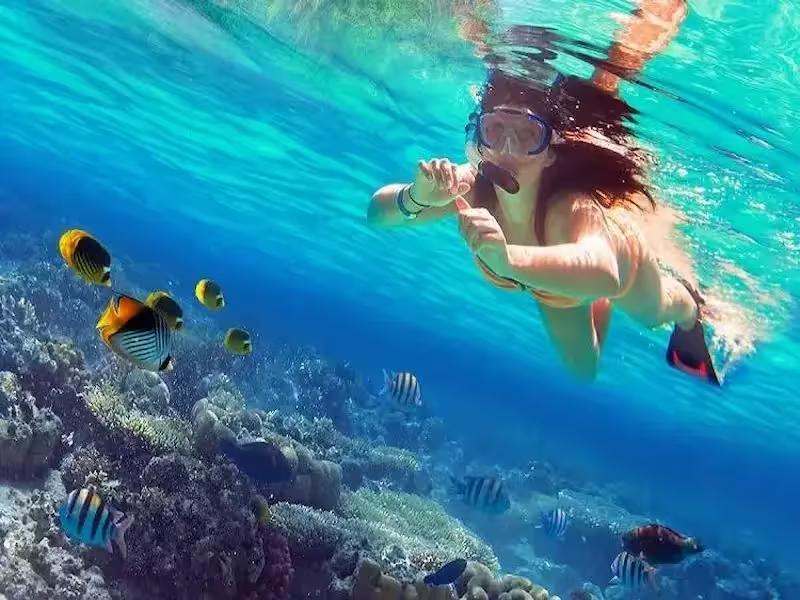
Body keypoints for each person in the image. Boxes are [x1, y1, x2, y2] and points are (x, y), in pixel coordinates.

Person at [367, 0, 720, 384]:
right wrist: (416, 197)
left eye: (528, 136)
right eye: (496, 130)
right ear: (479, 138)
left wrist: (508, 262)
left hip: (616, 263)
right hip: (554, 282)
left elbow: (606, 274)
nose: (509, 150)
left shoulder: (568, 206)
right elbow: (376, 215)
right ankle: (575, 279)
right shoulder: (469, 188)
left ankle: (692, 310)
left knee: (654, 312)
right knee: (584, 371)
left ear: (551, 149)